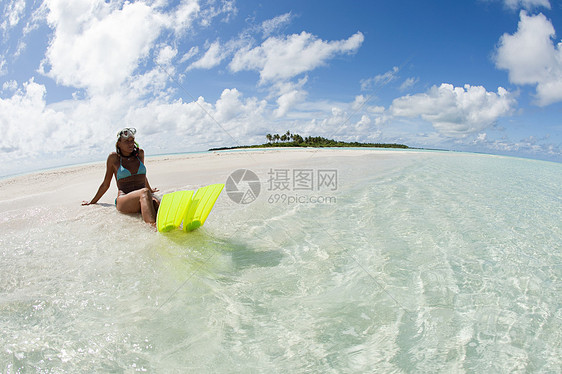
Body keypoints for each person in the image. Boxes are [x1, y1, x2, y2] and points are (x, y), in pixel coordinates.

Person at [82, 128, 160, 224]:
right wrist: (92, 201)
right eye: (126, 141)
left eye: (132, 140)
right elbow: (106, 184)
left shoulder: (140, 154)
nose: (130, 144)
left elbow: (142, 176)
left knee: (157, 203)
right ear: (118, 143)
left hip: (143, 197)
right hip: (125, 200)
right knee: (144, 192)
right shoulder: (114, 158)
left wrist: (151, 190)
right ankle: (153, 229)